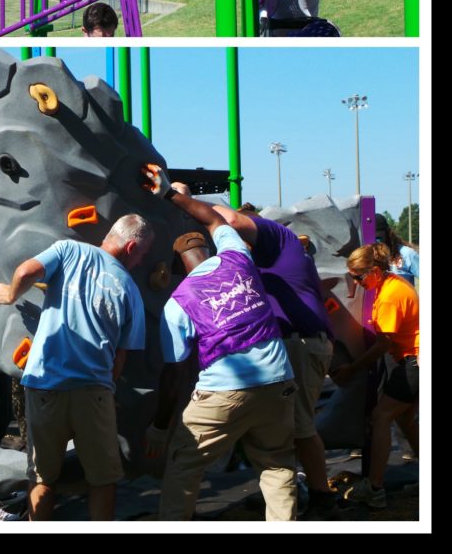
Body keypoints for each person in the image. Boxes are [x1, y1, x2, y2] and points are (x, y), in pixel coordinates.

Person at [158, 173, 338, 518]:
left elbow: (176, 365)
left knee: (295, 430)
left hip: (294, 345)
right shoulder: (241, 262)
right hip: (279, 367)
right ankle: (294, 508)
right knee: (278, 455)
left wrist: (175, 197)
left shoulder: (274, 242)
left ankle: (321, 495)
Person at [141, 165, 297, 521]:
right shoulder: (237, 259)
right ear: (209, 251)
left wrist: (160, 426)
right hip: (278, 380)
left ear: (179, 267)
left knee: (185, 464)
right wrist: (171, 193)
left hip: (223, 392)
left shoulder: (178, 302)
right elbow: (212, 218)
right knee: (277, 466)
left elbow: (175, 371)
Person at [0, 214, 153, 521]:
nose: (142, 262)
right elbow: (120, 357)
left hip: (43, 386)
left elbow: (26, 271)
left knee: (42, 477)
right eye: (143, 254)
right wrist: (106, 387)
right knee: (102, 480)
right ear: (131, 247)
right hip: (93, 392)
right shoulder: (131, 291)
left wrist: (10, 294)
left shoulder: (69, 250)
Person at [331, 242, 418, 508]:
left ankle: (375, 489)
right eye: (352, 277)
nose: (355, 283)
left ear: (375, 270)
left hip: (415, 363)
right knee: (403, 418)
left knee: (380, 417)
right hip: (412, 360)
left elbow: (383, 344)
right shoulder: (388, 286)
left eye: (359, 276)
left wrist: (353, 367)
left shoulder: (391, 295)